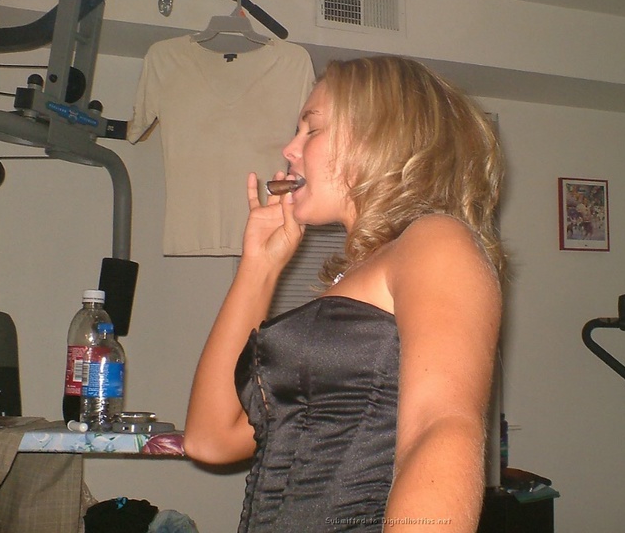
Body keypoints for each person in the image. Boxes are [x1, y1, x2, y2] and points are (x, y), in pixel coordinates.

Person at [184, 56, 505, 532]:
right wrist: (259, 267)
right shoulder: (359, 275)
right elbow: (210, 439)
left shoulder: (436, 239)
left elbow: (440, 428)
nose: (289, 149)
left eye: (311, 129)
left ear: (383, 137)